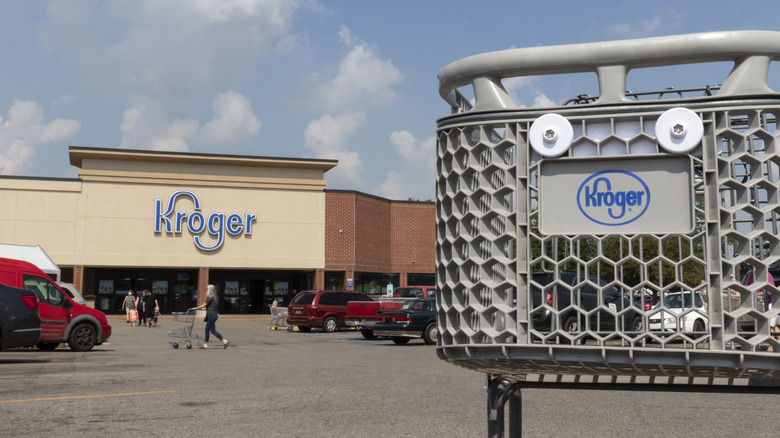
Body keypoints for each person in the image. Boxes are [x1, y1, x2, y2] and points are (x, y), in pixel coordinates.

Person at [744, 270, 777, 350]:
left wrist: (755, 294)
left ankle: (771, 345)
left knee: (770, 325)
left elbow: (770, 290)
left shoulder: (767, 275)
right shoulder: (751, 275)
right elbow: (746, 286)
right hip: (759, 303)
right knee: (772, 325)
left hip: (770, 303)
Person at [194, 285, 228, 349]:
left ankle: (224, 341)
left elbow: (204, 304)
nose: (206, 290)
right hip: (214, 314)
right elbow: (212, 306)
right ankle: (205, 344)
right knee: (207, 329)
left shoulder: (209, 297)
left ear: (209, 290)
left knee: (213, 331)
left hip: (211, 315)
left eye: (207, 289)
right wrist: (206, 308)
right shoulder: (216, 296)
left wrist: (196, 308)